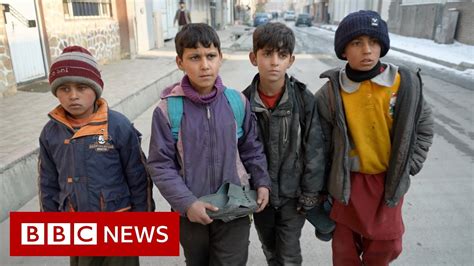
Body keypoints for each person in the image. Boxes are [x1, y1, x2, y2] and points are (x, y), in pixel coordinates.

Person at [315, 10, 434, 266]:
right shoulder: (331, 94)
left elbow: (424, 125)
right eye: (357, 43)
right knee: (345, 248)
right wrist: (323, 184)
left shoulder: (403, 85)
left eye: (373, 42)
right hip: (347, 184)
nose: (367, 50)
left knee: (386, 245)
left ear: (382, 45)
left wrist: (411, 163)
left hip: (387, 183)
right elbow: (320, 143)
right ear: (344, 51)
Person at [147, 23, 271, 266]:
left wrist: (262, 181)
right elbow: (160, 165)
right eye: (194, 57)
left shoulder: (237, 102)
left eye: (211, 56)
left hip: (234, 208)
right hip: (191, 212)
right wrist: (187, 203)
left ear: (221, 58)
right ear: (180, 62)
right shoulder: (168, 110)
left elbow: (251, 148)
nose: (204, 65)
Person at [38, 46, 155, 266]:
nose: (73, 95)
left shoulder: (118, 126)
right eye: (64, 88)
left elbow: (138, 176)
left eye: (82, 87)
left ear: (96, 88)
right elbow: (47, 180)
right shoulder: (50, 133)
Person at [242, 22, 326, 265]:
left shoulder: (303, 99)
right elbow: (239, 150)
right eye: (267, 54)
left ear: (291, 60)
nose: (274, 62)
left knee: (289, 253)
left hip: (293, 196)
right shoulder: (243, 101)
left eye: (282, 55)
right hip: (260, 195)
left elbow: (315, 149)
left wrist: (310, 193)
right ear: (253, 57)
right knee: (270, 247)